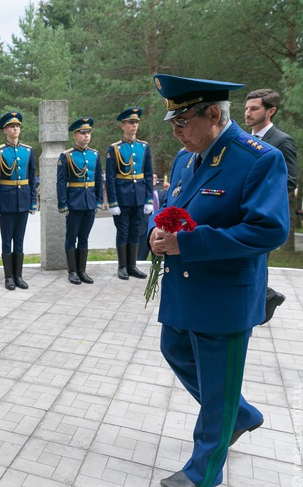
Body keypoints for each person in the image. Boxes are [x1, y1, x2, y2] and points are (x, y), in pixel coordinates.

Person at [150, 74, 289, 487]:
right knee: (173, 347)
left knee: (217, 379)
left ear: (213, 114)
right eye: (171, 123)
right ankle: (239, 413)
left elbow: (268, 231)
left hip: (224, 294)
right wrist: (156, 237)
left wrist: (187, 245)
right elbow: (172, 211)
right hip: (185, 288)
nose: (176, 132)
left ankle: (203, 474)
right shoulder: (184, 158)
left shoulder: (258, 158)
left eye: (183, 122)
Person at [244, 88, 298, 323]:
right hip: (240, 210)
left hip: (263, 212)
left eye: (254, 108)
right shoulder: (243, 139)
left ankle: (262, 305)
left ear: (271, 111)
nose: (247, 113)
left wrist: (263, 200)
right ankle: (264, 298)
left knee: (258, 262)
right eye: (246, 108)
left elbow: (290, 181)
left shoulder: (282, 141)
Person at [0, 111, 37, 290]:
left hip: (23, 199)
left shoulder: (28, 151)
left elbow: (32, 177)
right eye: (11, 126)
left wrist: (33, 201)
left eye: (17, 126)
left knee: (20, 240)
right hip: (7, 200)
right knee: (7, 240)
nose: (15, 128)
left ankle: (19, 276)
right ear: (5, 131)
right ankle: (8, 277)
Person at [106, 107, 154, 280]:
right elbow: (110, 178)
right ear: (123, 126)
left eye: (136, 123)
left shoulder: (144, 147)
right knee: (123, 231)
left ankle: (132, 266)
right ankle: (122, 267)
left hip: (139, 196)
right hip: (122, 197)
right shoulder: (115, 149)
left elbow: (148, 174)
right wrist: (113, 202)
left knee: (136, 231)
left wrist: (149, 198)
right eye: (131, 123)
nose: (134, 126)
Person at [56, 117, 103, 284]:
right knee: (71, 238)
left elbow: (98, 179)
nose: (86, 136)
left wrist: (98, 200)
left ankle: (82, 270)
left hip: (89, 201)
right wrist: (62, 203)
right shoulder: (66, 156)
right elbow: (61, 182)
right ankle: (72, 271)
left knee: (84, 237)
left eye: (88, 133)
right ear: (75, 135)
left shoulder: (94, 155)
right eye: (83, 133)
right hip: (74, 202)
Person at [137, 173, 169, 261]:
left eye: (155, 177)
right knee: (140, 257)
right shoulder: (142, 192)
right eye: (152, 177)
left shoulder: (162, 193)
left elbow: (168, 204)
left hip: (158, 229)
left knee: (158, 259)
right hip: (144, 229)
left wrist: (169, 190)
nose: (154, 179)